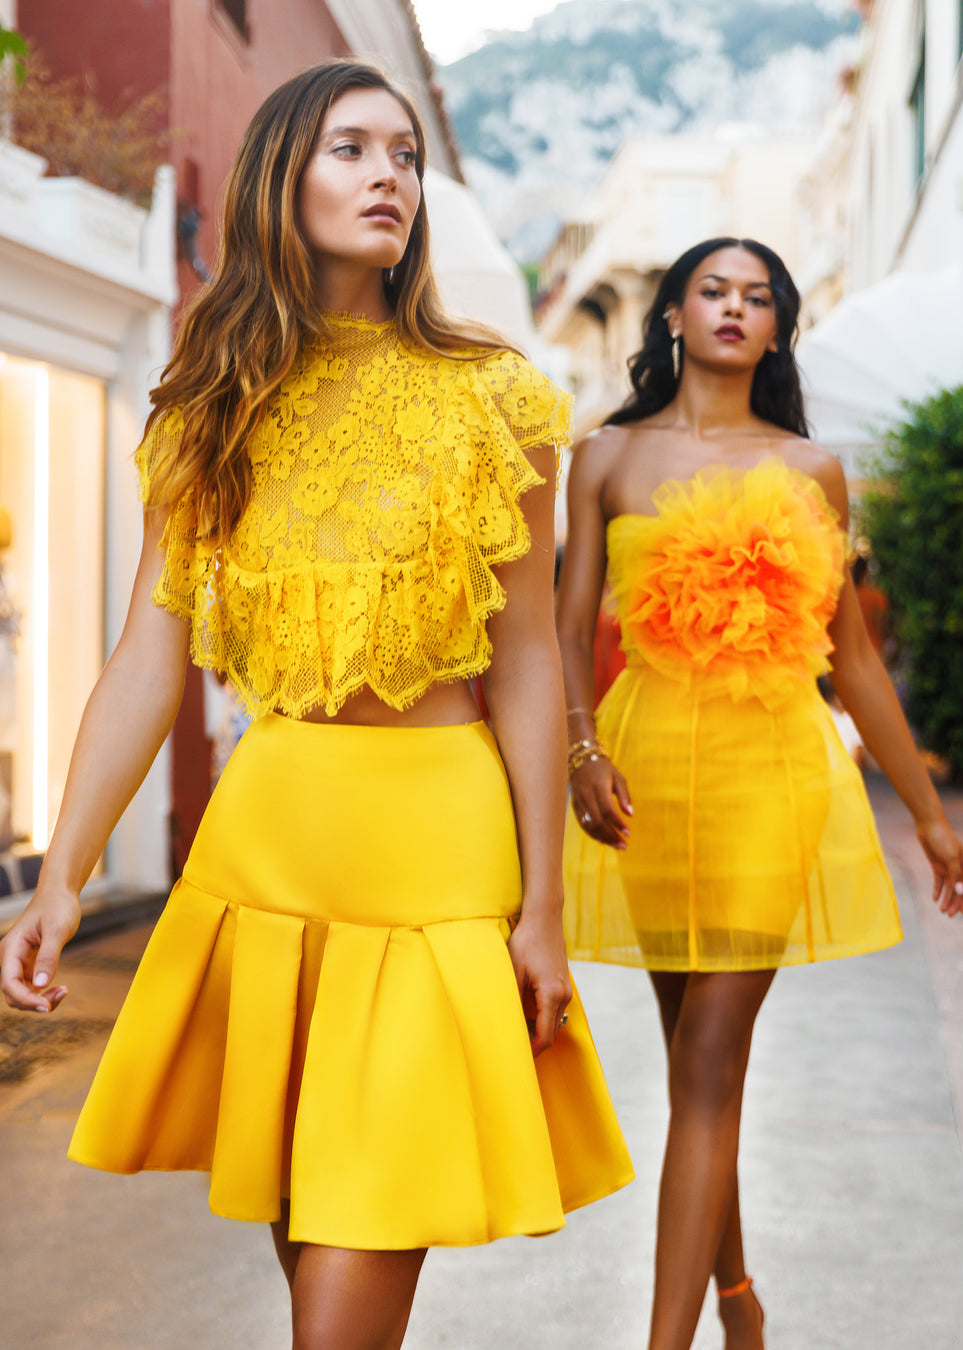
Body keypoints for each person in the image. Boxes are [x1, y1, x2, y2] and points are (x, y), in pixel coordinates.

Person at [0, 60, 631, 1350]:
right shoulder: (209, 397)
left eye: (403, 154)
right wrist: (61, 872)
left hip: (436, 853)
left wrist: (545, 912)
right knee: (306, 1219)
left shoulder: (493, 397)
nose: (389, 175)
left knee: (354, 1259)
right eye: (352, 149)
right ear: (278, 176)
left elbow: (524, 663)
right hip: (272, 842)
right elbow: (145, 653)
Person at [555, 236, 963, 1350]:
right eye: (715, 290)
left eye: (759, 297)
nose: (736, 308)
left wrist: (930, 819)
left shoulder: (811, 469)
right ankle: (738, 1303)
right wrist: (579, 752)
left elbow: (857, 661)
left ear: (778, 329)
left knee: (706, 1069)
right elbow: (561, 631)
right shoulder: (602, 456)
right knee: (698, 1062)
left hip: (772, 777)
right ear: (675, 317)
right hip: (644, 782)